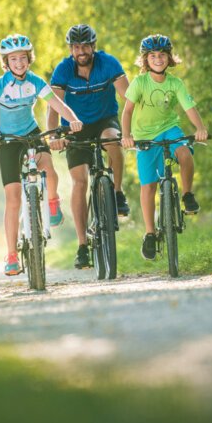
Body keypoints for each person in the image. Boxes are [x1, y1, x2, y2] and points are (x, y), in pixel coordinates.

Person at [0, 34, 83, 276]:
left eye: (23, 58)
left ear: (29, 59)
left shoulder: (35, 81)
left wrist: (74, 120)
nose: (19, 63)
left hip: (32, 132)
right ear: (6, 61)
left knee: (49, 169)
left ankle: (53, 202)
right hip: (8, 139)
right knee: (12, 198)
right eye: (13, 59)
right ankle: (12, 255)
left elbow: (57, 104)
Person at [47, 23, 131, 270]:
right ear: (71, 49)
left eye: (85, 46)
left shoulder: (109, 63)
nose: (81, 51)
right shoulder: (63, 70)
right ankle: (83, 246)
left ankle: (116, 193)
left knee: (113, 139)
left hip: (105, 119)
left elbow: (129, 97)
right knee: (80, 182)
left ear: (93, 46)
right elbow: (52, 105)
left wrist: (132, 129)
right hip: (75, 127)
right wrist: (53, 136)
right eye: (76, 47)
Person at [120, 34, 208, 261]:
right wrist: (127, 135)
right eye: (153, 56)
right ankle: (150, 233)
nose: (158, 59)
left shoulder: (175, 83)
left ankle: (187, 195)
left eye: (162, 55)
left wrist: (200, 128)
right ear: (145, 60)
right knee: (148, 187)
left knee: (185, 152)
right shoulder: (139, 83)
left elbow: (189, 108)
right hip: (144, 136)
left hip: (170, 129)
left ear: (169, 58)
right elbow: (127, 111)